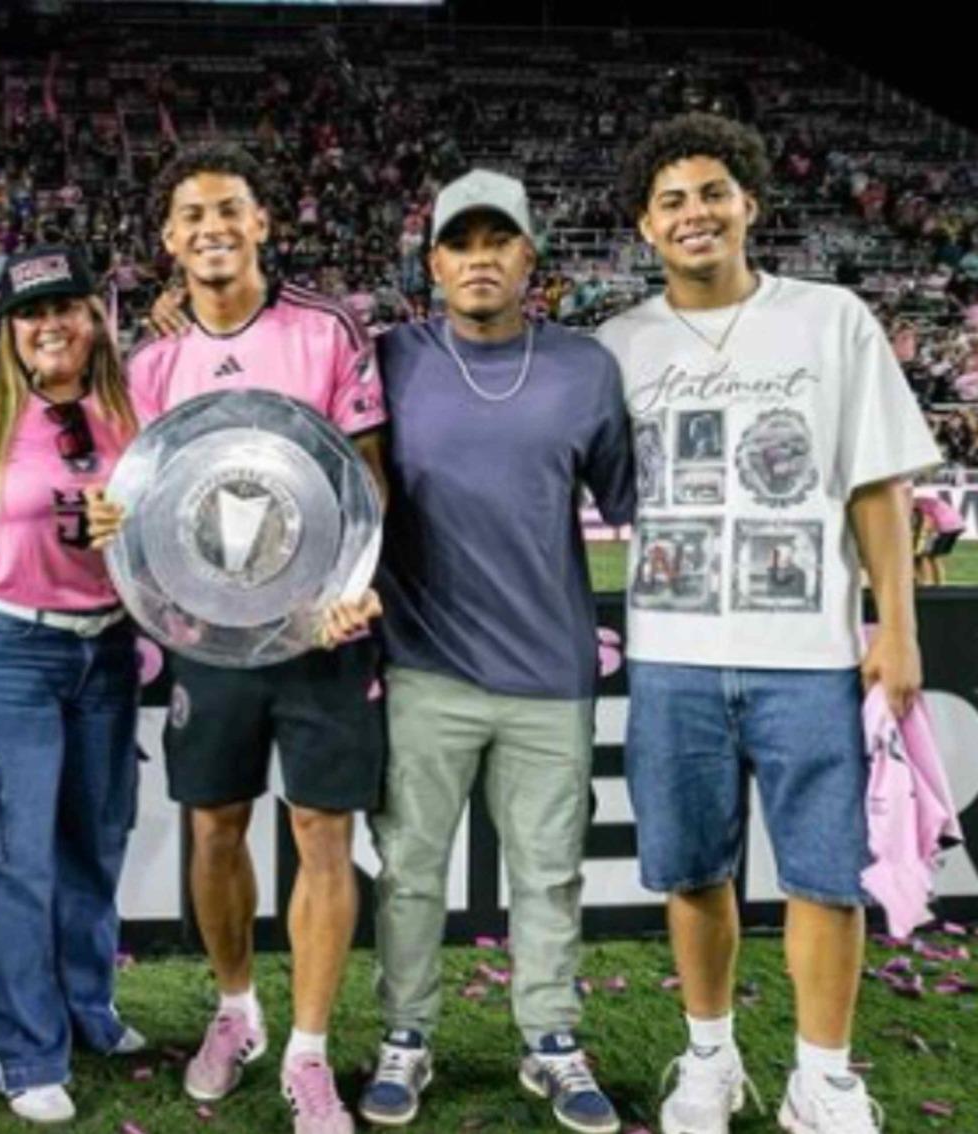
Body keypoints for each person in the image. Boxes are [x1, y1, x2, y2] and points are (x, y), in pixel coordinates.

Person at [597, 113, 942, 1134]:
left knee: (824, 878)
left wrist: (897, 626)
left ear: (750, 201)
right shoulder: (616, 344)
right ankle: (709, 1060)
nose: (693, 213)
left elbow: (874, 484)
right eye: (671, 201)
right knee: (693, 872)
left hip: (810, 655)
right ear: (642, 227)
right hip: (669, 656)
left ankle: (821, 1076)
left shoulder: (830, 318)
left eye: (711, 191)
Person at [89, 142, 387, 1134]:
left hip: (322, 632)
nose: (212, 228)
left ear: (261, 222)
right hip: (208, 636)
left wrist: (349, 587)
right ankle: (235, 1012)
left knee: (319, 831)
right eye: (192, 216)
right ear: (168, 240)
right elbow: (140, 507)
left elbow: (367, 477)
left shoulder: (326, 328)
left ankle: (308, 1053)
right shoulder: (150, 361)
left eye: (230, 210)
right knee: (213, 823)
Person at [358, 170, 633, 1133]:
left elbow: (638, 505)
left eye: (498, 241)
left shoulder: (585, 369)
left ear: (529, 258)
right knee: (409, 869)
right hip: (426, 664)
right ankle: (405, 1036)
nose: (480, 258)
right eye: (460, 243)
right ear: (432, 262)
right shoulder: (390, 357)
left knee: (549, 870)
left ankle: (551, 1041)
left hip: (551, 670)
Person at [0, 244, 145, 1126]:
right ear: (10, 330)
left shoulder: (134, 408)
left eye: (66, 307)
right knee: (14, 857)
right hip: (11, 648)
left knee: (96, 842)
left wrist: (128, 530)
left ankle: (87, 1008)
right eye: (29, 313)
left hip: (110, 651)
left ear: (95, 318)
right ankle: (21, 1048)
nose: (49, 324)